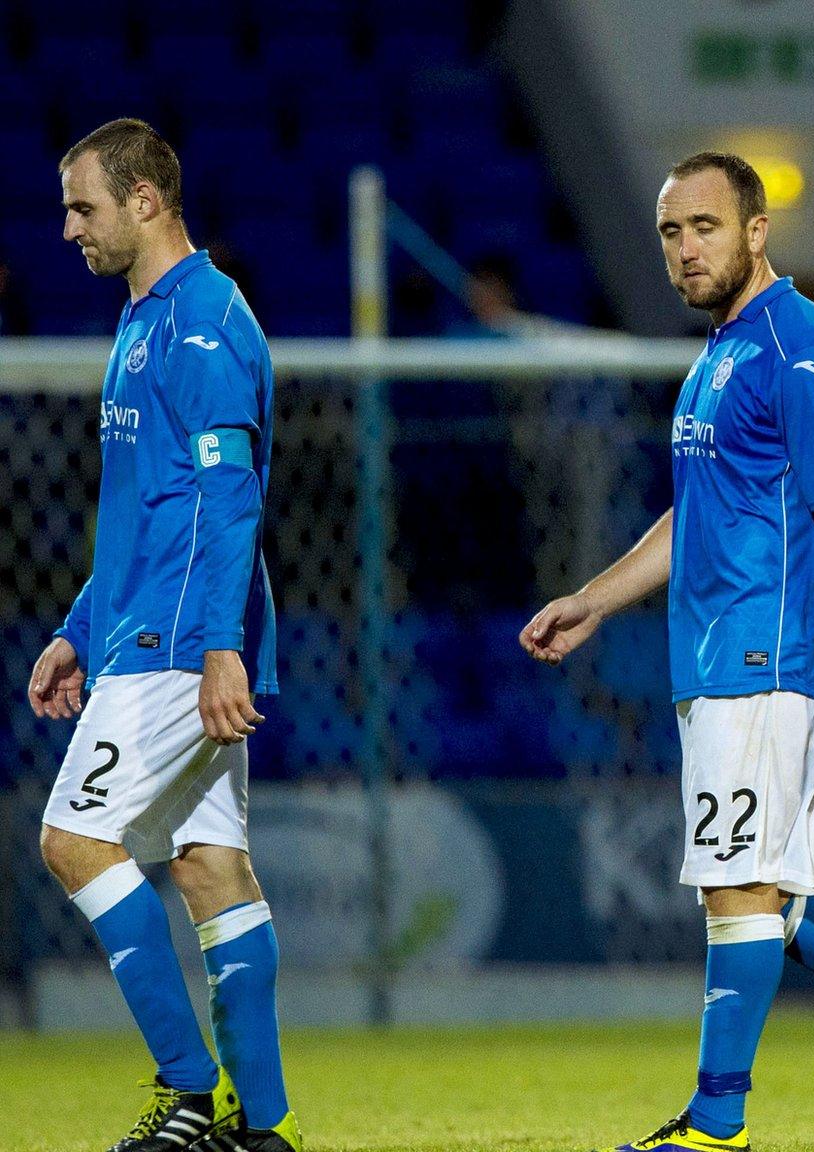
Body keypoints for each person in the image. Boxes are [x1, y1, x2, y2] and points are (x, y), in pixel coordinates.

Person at [520, 152, 814, 1152]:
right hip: (714, 655)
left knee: (738, 889)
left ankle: (717, 1119)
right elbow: (694, 513)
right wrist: (592, 600)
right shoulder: (719, 355)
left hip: (771, 655)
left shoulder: (799, 344)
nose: (684, 248)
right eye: (669, 233)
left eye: (703, 226)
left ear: (754, 231)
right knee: (772, 894)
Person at [30, 118, 299, 1152]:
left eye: (82, 207)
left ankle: (188, 1093)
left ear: (146, 200)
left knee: (73, 839)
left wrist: (221, 644)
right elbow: (149, 509)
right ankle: (260, 1128)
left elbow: (227, 500)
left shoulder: (204, 325)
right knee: (207, 867)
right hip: (148, 626)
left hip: (182, 642)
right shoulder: (143, 321)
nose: (67, 230)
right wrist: (76, 626)